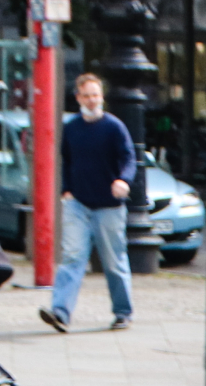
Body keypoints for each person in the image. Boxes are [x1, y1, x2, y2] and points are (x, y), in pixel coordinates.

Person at [38, 72, 136, 332]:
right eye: (87, 95)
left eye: (96, 95)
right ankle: (60, 312)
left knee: (113, 261)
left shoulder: (114, 127)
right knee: (72, 257)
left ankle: (123, 312)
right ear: (78, 97)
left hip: (109, 206)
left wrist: (123, 180)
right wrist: (66, 190)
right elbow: (67, 160)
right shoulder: (71, 128)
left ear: (101, 97)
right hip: (78, 203)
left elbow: (129, 158)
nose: (92, 100)